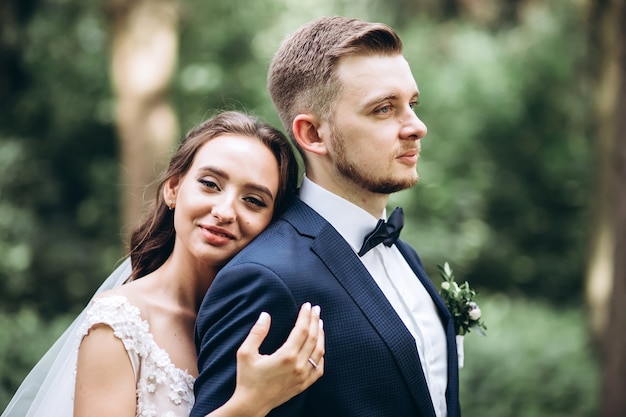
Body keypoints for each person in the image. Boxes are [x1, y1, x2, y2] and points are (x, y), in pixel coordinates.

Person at [191, 16, 461, 417]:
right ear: (313, 135)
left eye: (412, 105)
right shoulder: (266, 278)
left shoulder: (406, 257)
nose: (416, 127)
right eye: (384, 109)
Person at [1, 111, 324, 417]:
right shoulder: (117, 323)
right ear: (173, 188)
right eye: (210, 184)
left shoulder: (264, 323)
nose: (225, 211)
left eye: (253, 200)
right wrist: (249, 404)